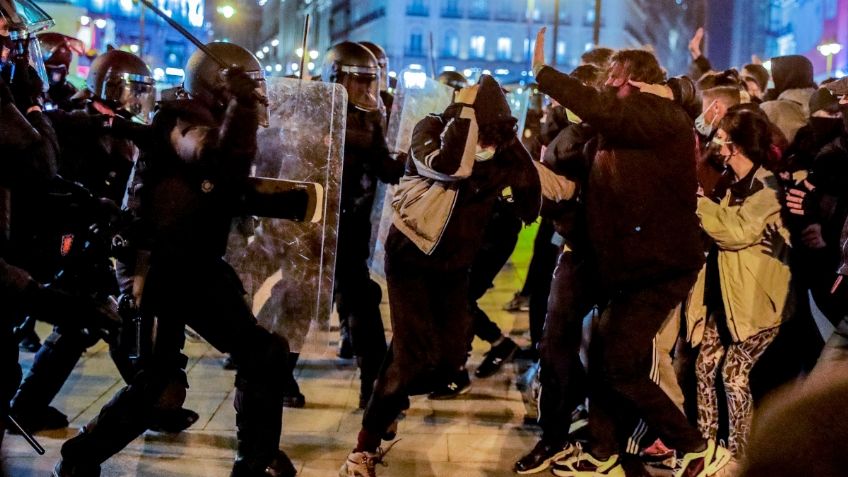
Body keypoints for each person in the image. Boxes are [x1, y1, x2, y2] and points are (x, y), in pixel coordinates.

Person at [53, 42, 297, 477]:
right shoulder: (180, 121)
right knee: (157, 387)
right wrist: (241, 109)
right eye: (247, 88)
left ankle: (255, 459)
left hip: (199, 264)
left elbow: (230, 180)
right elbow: (214, 157)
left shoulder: (221, 120)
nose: (257, 97)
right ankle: (79, 459)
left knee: (265, 354)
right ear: (219, 86)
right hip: (159, 268)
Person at [531, 28, 731, 477]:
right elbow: (571, 149)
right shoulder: (634, 121)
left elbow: (607, 109)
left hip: (660, 268)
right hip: (633, 265)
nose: (605, 85)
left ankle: (696, 447)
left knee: (621, 363)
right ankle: (603, 451)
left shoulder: (657, 115)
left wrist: (545, 73)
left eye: (613, 77)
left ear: (635, 81)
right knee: (607, 354)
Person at [340, 75, 550, 477]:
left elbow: (530, 196)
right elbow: (451, 166)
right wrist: (467, 114)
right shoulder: (432, 129)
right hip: (411, 258)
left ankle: (391, 398)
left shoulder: (504, 150)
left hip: (455, 266)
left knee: (450, 360)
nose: (486, 146)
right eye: (482, 134)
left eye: (492, 136)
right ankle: (362, 450)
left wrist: (518, 195)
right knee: (411, 354)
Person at [689, 107, 792, 462]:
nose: (717, 144)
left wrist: (701, 206)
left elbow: (735, 232)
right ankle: (705, 450)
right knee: (704, 367)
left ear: (736, 145)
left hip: (756, 306)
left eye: (721, 139)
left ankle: (740, 458)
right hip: (726, 298)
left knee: (734, 376)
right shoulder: (732, 184)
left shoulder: (767, 188)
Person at [323, 41, 404, 408]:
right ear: (337, 80)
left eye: (370, 81)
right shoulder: (318, 114)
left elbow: (384, 168)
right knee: (293, 299)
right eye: (359, 82)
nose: (367, 90)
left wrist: (406, 157)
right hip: (317, 226)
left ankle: (375, 385)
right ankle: (272, 378)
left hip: (353, 226)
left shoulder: (372, 118)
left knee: (362, 301)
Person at [760, 55, 817, 144]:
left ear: (782, 77)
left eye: (772, 76)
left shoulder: (771, 108)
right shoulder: (822, 105)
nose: (770, 81)